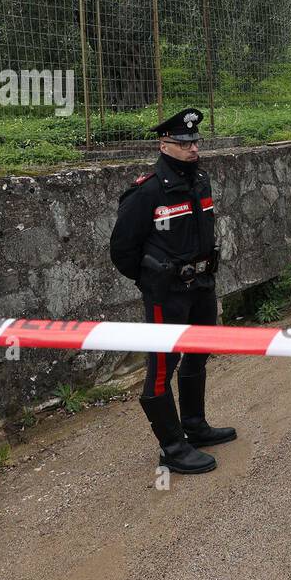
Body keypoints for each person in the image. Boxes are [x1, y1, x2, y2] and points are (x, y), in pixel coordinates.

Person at [109, 108, 236, 475]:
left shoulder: (200, 181)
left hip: (202, 286)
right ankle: (171, 447)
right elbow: (122, 249)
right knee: (163, 367)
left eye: (195, 141)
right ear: (164, 145)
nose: (193, 148)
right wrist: (151, 281)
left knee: (198, 354)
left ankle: (194, 427)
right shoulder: (147, 191)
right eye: (184, 143)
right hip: (168, 294)